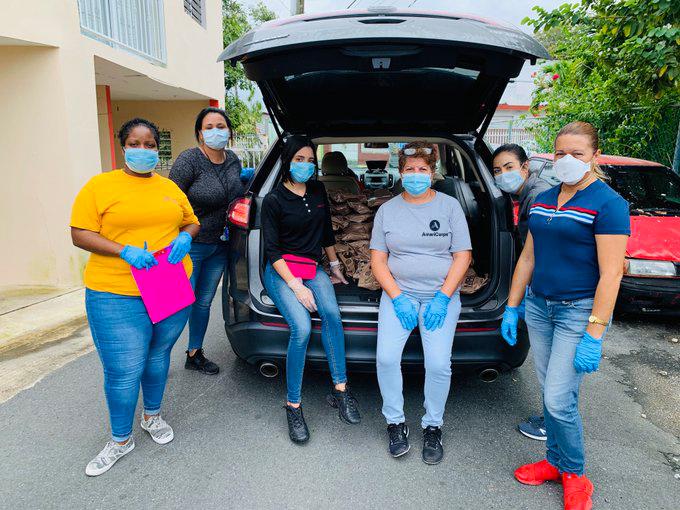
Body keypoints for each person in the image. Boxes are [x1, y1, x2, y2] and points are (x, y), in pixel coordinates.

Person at [501, 122, 629, 510]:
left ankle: (574, 472)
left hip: (578, 312)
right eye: (560, 153)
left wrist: (595, 332)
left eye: (577, 154)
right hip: (539, 307)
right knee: (550, 390)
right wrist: (512, 305)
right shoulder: (541, 199)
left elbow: (611, 274)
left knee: (559, 399)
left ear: (595, 157)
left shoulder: (608, 204)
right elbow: (528, 256)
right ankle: (554, 462)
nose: (567, 160)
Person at [70, 118, 200, 476]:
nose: (142, 150)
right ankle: (120, 439)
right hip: (116, 290)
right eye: (135, 143)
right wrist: (123, 251)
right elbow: (79, 233)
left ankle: (152, 417)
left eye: (149, 145)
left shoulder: (169, 187)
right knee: (124, 369)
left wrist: (186, 237)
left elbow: (191, 221)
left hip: (168, 281)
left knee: (158, 355)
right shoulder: (100, 186)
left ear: (157, 149)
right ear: (122, 146)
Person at [370, 141, 472, 465]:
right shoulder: (387, 210)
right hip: (400, 295)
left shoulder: (450, 207)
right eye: (410, 169)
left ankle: (432, 426)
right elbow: (377, 261)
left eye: (422, 170)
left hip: (440, 296)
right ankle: (395, 422)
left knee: (439, 364)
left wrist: (443, 297)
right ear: (400, 173)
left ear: (433, 172)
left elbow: (463, 256)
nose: (416, 175)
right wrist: (397, 297)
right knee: (386, 359)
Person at [261, 136, 361, 444]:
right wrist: (296, 287)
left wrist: (335, 269)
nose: (305, 165)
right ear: (288, 162)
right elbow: (272, 251)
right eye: (299, 160)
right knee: (302, 327)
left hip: (312, 265)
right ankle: (293, 405)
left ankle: (340, 390)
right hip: (281, 270)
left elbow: (327, 233)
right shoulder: (274, 199)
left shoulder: (317, 190)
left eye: (309, 160)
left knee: (331, 313)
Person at [169, 107, 245, 375]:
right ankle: (158, 356)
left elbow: (239, 188)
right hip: (191, 245)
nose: (216, 131)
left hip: (221, 245)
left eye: (221, 126)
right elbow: (171, 199)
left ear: (229, 131)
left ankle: (194, 353)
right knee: (179, 303)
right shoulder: (189, 160)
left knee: (203, 302)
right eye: (209, 127)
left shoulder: (233, 159)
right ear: (200, 133)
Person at [492, 143, 551, 441]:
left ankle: (551, 422)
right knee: (549, 358)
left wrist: (519, 301)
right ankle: (551, 418)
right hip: (539, 285)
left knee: (551, 359)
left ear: (525, 168)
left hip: (547, 289)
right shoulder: (526, 194)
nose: (503, 175)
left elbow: (538, 251)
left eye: (509, 167)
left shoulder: (538, 196)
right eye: (497, 171)